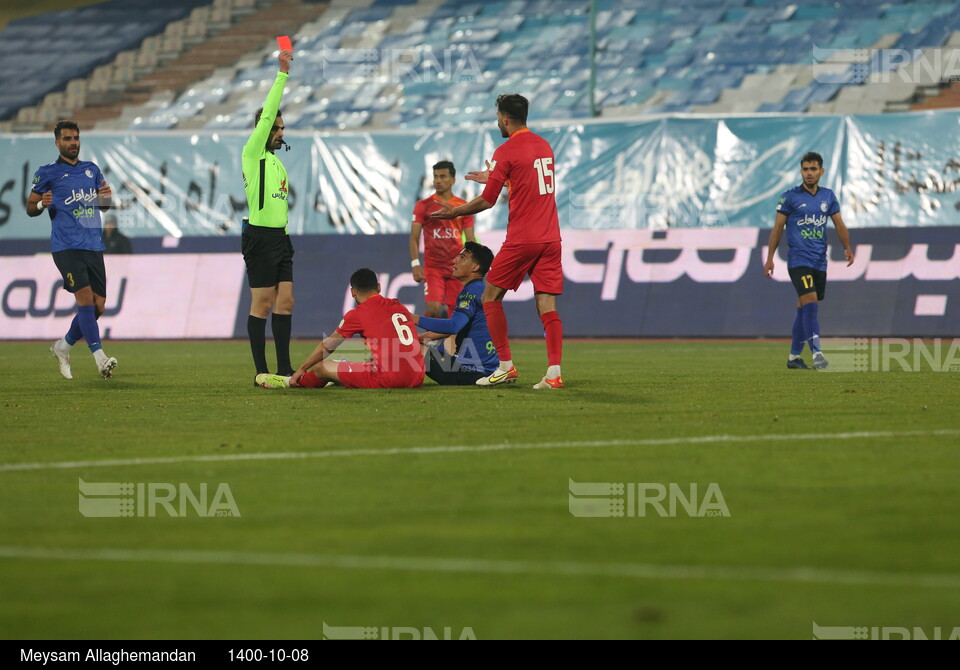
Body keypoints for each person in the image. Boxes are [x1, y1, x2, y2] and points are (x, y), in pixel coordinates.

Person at [431, 94, 564, 389]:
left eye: (498, 117)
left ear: (504, 118)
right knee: (547, 305)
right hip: (551, 238)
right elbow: (526, 177)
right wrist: (498, 177)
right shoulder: (544, 146)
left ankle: (505, 366)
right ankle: (554, 373)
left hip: (523, 238)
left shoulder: (506, 149)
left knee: (489, 296)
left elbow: (488, 201)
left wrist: (455, 211)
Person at [27, 120, 117, 380]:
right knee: (85, 298)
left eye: (75, 138)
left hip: (93, 244)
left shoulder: (92, 170)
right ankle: (100, 358)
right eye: (67, 139)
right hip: (66, 246)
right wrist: (42, 205)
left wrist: (105, 198)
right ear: (58, 143)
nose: (73, 143)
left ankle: (63, 347)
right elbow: (30, 208)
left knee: (99, 305)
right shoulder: (48, 173)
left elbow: (103, 207)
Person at [256, 268, 425, 390]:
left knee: (322, 367)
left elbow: (328, 345)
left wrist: (302, 368)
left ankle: (289, 382)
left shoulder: (358, 314)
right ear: (379, 287)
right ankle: (342, 371)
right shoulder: (398, 306)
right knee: (369, 361)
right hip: (417, 377)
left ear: (353, 292)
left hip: (390, 380)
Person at [764, 151, 854, 370]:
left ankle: (794, 357)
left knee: (804, 308)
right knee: (811, 303)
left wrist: (847, 248)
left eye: (813, 169)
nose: (809, 173)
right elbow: (777, 228)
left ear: (821, 171)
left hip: (819, 261)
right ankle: (817, 354)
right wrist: (770, 259)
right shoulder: (789, 197)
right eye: (805, 169)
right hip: (798, 260)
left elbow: (839, 225)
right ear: (801, 171)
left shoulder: (829, 196)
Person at [242, 48, 295, 386]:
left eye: (282, 128)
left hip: (280, 238)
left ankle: (286, 369)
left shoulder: (277, 163)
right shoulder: (253, 152)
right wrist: (283, 74)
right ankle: (261, 371)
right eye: (276, 128)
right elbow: (266, 117)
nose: (280, 133)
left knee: (286, 303)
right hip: (260, 237)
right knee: (261, 304)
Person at [413, 242, 499, 385]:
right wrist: (423, 336)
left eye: (462, 258)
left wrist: (413, 318)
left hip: (470, 372)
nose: (454, 260)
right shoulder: (480, 289)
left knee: (407, 347)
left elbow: (452, 326)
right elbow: (460, 327)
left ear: (475, 267)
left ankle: (379, 373)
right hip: (487, 369)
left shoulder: (470, 292)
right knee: (425, 345)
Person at [410, 160, 476, 320]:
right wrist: (415, 264)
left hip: (457, 267)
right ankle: (423, 339)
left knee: (457, 314)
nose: (437, 180)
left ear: (453, 180)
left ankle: (447, 344)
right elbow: (414, 237)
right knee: (434, 309)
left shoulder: (463, 207)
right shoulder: (423, 205)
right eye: (435, 177)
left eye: (443, 176)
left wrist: (474, 265)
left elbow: (470, 239)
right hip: (434, 268)